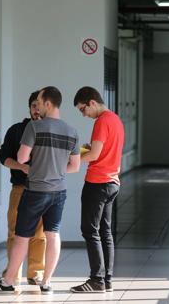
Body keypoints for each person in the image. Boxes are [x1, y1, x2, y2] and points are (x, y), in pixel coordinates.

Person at [0, 86, 80, 294]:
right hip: (59, 192)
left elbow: (21, 158)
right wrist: (54, 168)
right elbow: (75, 167)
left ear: (47, 103)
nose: (37, 107)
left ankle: (8, 281)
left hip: (36, 190)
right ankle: (46, 282)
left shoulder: (34, 128)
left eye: (39, 102)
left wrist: (36, 164)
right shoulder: (71, 130)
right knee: (52, 234)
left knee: (22, 236)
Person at [70, 86, 125, 293]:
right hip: (112, 182)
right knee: (105, 231)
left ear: (92, 102)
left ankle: (96, 280)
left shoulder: (102, 121)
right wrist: (90, 149)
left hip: (97, 182)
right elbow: (103, 150)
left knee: (89, 230)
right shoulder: (115, 120)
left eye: (83, 109)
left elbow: (94, 156)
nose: (84, 114)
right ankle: (107, 279)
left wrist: (72, 160)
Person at [0, 90, 45, 285]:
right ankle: (13, 272)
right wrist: (22, 167)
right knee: (14, 231)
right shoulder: (16, 130)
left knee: (39, 234)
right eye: (33, 105)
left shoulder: (51, 130)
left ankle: (35, 273)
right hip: (19, 188)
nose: (36, 109)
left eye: (39, 105)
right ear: (29, 107)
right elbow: (4, 158)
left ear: (47, 107)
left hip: (43, 189)